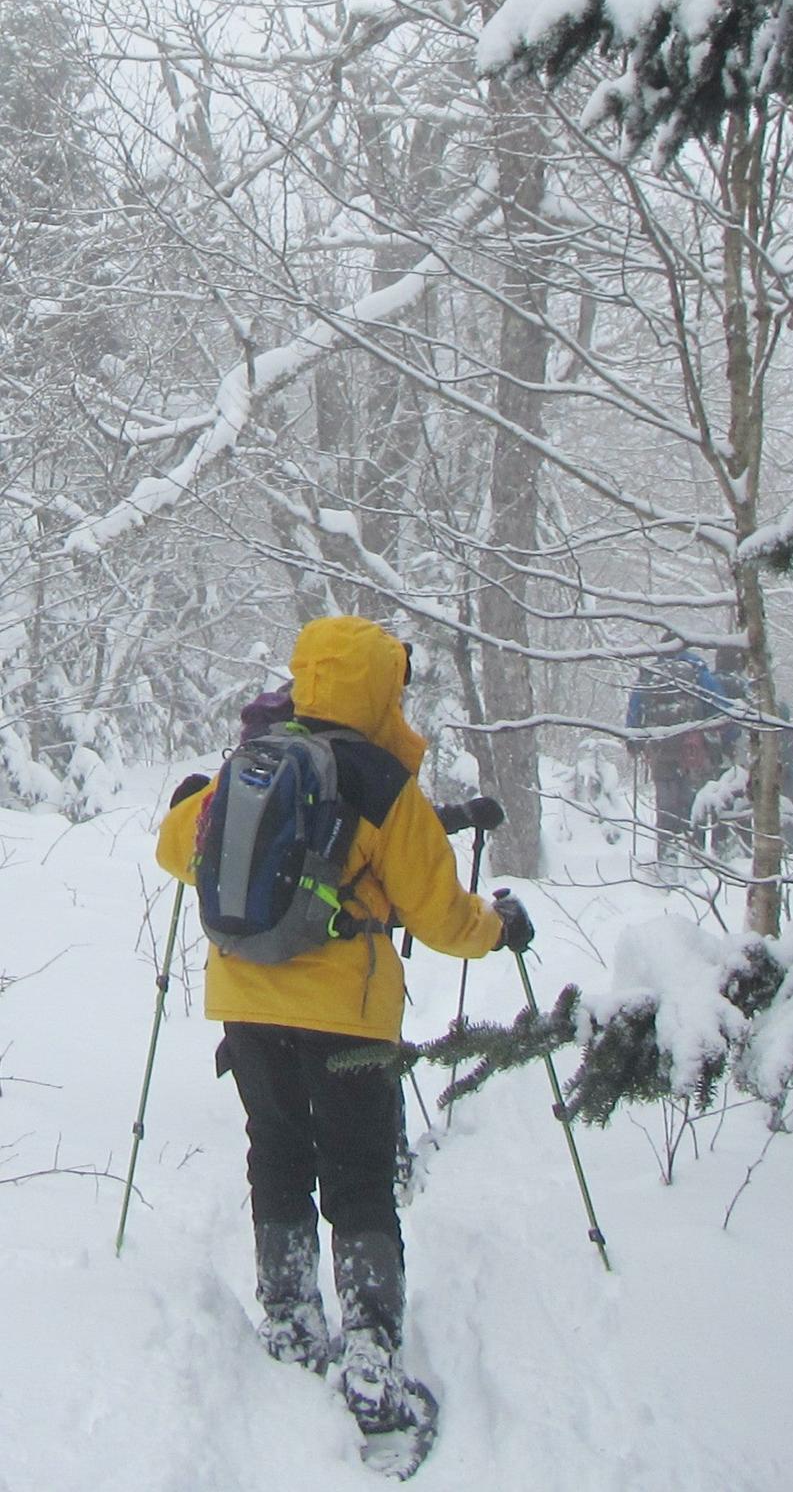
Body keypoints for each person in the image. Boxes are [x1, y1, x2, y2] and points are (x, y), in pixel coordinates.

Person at [156, 614, 533, 1443]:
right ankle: (371, 1353)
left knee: (279, 1153)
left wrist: (192, 806)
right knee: (359, 1175)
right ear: (379, 689)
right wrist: (499, 930)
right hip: (348, 1018)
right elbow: (438, 915)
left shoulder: (251, 759)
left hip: (246, 1006)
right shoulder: (381, 783)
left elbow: (177, 848)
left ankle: (289, 1317)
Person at [625, 649, 723, 862]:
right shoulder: (697, 671)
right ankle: (693, 858)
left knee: (666, 806)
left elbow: (634, 709)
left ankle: (667, 858)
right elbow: (718, 705)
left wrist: (634, 741)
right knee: (692, 804)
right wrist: (719, 740)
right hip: (692, 750)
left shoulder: (650, 674)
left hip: (660, 749)